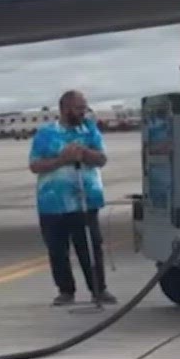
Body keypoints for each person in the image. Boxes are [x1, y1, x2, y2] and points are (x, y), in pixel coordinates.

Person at [29, 90, 116, 306]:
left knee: (90, 247)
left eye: (84, 107)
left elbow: (102, 159)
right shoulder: (46, 134)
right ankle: (66, 290)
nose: (83, 112)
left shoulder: (90, 130)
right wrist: (61, 159)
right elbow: (35, 165)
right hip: (53, 202)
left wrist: (85, 153)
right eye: (79, 108)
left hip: (84, 200)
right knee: (58, 249)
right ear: (65, 108)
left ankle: (98, 288)